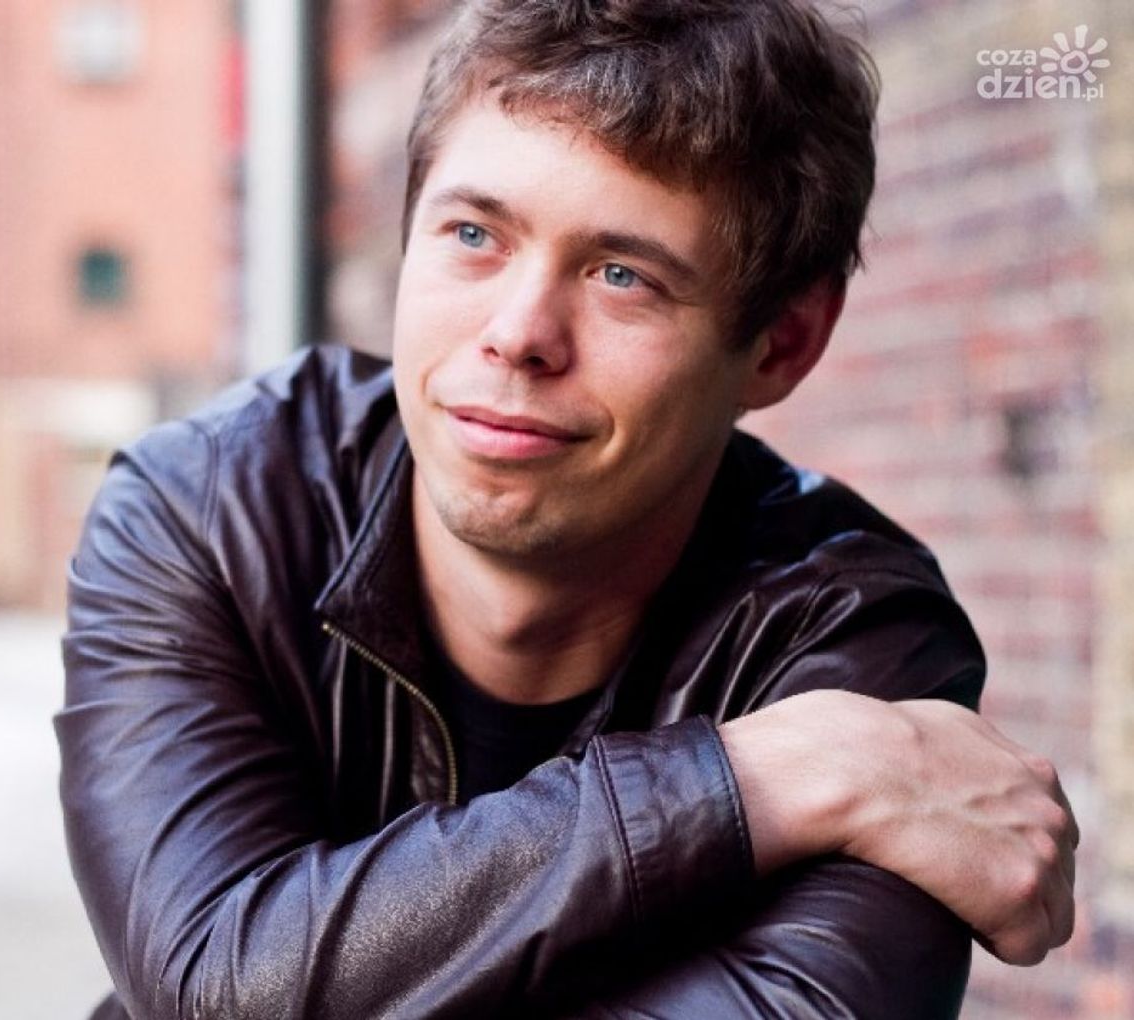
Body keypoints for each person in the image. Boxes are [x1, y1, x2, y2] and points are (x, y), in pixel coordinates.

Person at [57, 1, 1079, 1016]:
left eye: (622, 275)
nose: (518, 333)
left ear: (782, 344)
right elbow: (213, 981)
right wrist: (761, 780)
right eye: (473, 234)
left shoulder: (853, 639)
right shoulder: (215, 510)